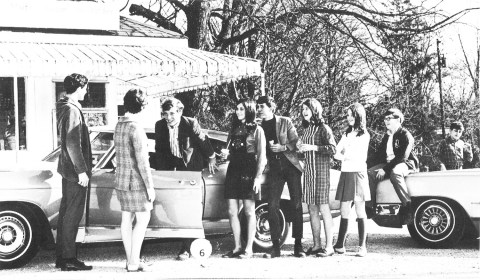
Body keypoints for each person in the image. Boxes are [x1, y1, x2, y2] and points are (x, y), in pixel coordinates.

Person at [154, 97, 216, 260]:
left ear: (180, 112)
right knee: (172, 204)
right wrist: (162, 174)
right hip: (171, 165)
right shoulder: (160, 125)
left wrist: (211, 157)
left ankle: (186, 247)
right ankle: (188, 238)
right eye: (165, 114)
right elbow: (159, 150)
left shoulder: (190, 123)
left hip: (189, 167)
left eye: (172, 114)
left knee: (187, 206)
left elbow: (203, 141)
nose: (168, 117)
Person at [256, 96, 305, 258]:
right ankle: (275, 247)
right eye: (258, 106)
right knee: (272, 205)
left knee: (297, 204)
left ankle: (298, 246)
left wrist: (283, 147)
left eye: (262, 106)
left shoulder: (285, 121)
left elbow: (297, 142)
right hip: (274, 169)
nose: (259, 109)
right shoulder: (258, 125)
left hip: (290, 165)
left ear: (271, 107)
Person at [114, 89, 156, 272]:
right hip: (136, 182)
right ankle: (133, 262)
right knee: (143, 218)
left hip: (121, 180)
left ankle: (131, 260)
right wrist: (150, 187)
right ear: (142, 106)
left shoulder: (119, 125)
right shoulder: (135, 127)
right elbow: (143, 162)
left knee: (126, 219)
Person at [55, 73, 93, 271]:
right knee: (72, 215)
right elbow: (72, 143)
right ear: (79, 88)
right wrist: (82, 171)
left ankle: (62, 257)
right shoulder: (72, 110)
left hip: (66, 171)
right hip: (74, 172)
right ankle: (69, 259)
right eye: (85, 88)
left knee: (65, 214)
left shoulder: (64, 107)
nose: (86, 92)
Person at [221, 99, 267, 259]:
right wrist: (225, 155)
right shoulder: (233, 129)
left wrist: (257, 178)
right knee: (232, 211)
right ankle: (237, 247)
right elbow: (228, 151)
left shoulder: (257, 130)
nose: (238, 111)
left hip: (249, 170)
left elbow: (262, 156)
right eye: (236, 109)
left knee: (248, 211)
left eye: (241, 109)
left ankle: (249, 249)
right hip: (233, 169)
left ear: (249, 110)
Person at [298, 98, 336, 258]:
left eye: (307, 109)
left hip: (321, 173)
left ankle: (329, 246)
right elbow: (303, 151)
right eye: (303, 109)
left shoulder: (323, 128)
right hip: (309, 173)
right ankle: (316, 245)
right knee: (312, 209)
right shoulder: (306, 129)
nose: (304, 112)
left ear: (315, 110)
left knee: (323, 208)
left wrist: (314, 147)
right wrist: (300, 149)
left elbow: (332, 148)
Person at [367, 108, 418, 223]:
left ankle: (407, 207)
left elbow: (402, 157)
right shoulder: (387, 136)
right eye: (385, 118)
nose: (386, 121)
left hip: (405, 163)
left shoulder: (405, 135)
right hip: (389, 163)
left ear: (398, 120)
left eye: (389, 118)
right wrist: (364, 164)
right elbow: (379, 155)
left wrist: (385, 169)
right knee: (369, 174)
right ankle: (370, 207)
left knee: (395, 173)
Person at [333, 103, 370, 257]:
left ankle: (362, 247)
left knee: (360, 210)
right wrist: (345, 158)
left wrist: (346, 157)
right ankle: (340, 244)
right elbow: (336, 152)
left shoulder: (365, 135)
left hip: (359, 174)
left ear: (358, 116)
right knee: (344, 210)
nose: (348, 118)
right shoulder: (346, 134)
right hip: (346, 173)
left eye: (351, 115)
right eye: (347, 115)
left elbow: (360, 157)